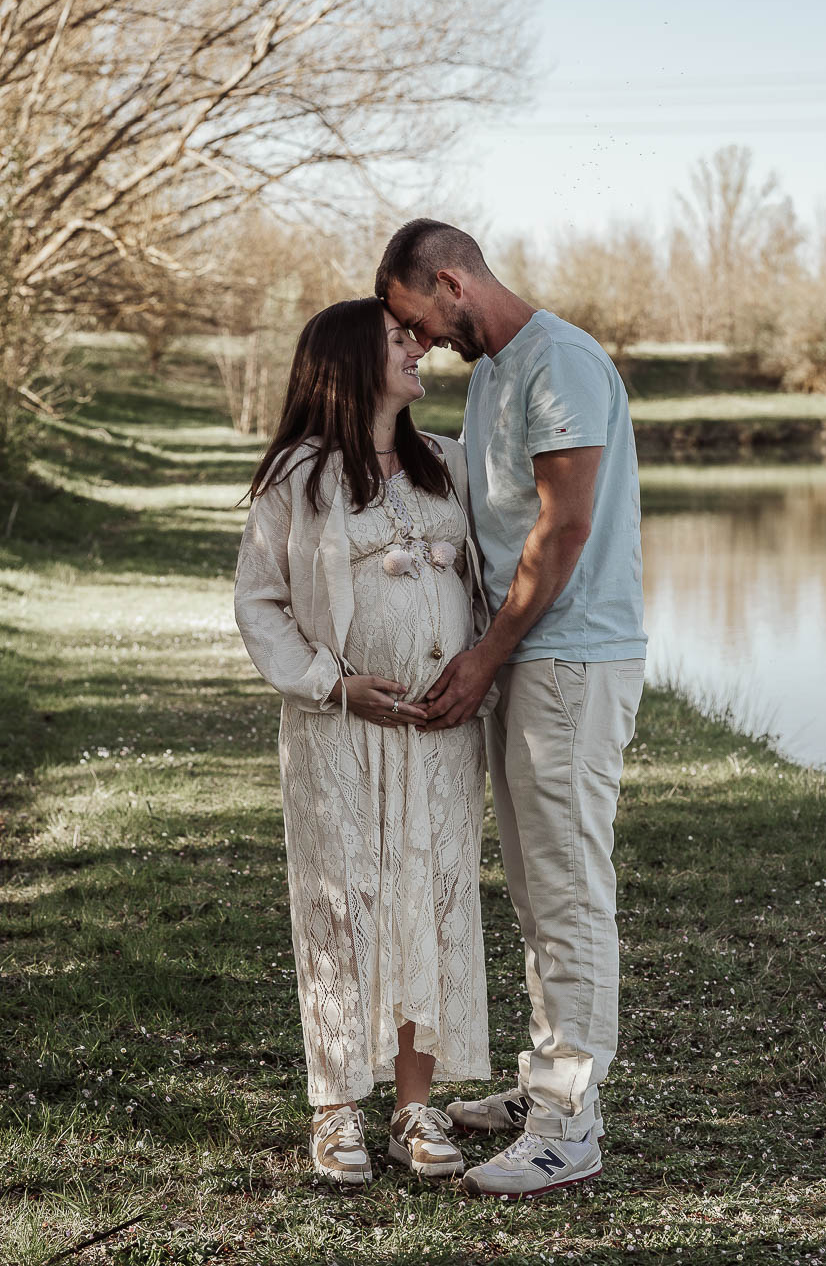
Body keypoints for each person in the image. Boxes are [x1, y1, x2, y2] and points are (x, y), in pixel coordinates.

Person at [376, 221, 647, 1198]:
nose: (423, 341)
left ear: (451, 280)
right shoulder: (493, 371)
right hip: (527, 656)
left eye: (418, 318)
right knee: (539, 892)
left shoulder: (557, 363)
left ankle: (567, 1127)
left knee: (568, 891)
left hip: (568, 662)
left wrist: (486, 655)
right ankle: (543, 1089)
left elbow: (563, 527)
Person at [234, 297, 493, 1186]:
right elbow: (260, 603)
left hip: (440, 731)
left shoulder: (447, 465)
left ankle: (414, 1111)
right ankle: (337, 1109)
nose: (420, 349)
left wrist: (478, 671)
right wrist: (332, 686)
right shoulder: (296, 479)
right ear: (347, 364)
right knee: (345, 905)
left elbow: (491, 573)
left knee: (431, 894)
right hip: (339, 733)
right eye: (399, 341)